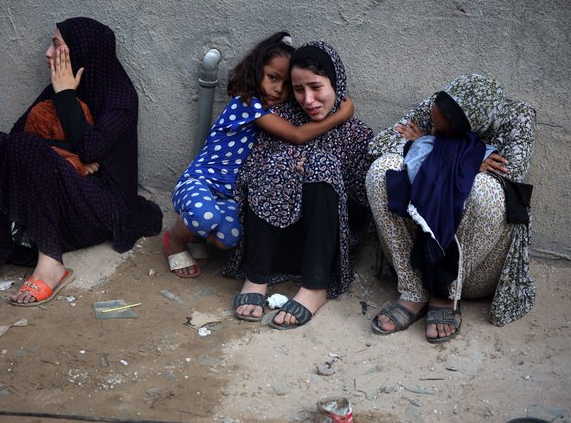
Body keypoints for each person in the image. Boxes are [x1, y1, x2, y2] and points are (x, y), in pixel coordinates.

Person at [0, 17, 163, 305]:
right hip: (64, 192)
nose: (47, 52)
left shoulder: (120, 98)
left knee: (24, 147)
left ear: (80, 52)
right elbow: (18, 134)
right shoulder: (58, 87)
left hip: (102, 206)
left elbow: (91, 149)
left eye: (56, 45)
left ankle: (51, 263)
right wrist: (66, 153)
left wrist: (66, 96)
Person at [165, 32, 354, 278]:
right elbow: (297, 135)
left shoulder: (273, 111)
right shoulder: (247, 105)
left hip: (229, 194)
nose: (277, 89)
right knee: (205, 215)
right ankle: (175, 239)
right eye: (272, 78)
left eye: (287, 86)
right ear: (256, 71)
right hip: (201, 181)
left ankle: (197, 231)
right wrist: (342, 113)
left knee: (229, 240)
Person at [366, 74, 536, 342]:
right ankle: (414, 291)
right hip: (416, 258)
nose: (432, 129)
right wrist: (461, 158)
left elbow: (508, 174)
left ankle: (444, 296)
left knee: (484, 189)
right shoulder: (442, 104)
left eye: (442, 132)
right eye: (431, 126)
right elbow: (383, 143)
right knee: (381, 170)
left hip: (476, 267)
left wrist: (433, 149)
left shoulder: (517, 117)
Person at [224, 41, 373, 329]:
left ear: (336, 82)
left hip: (325, 248)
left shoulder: (357, 134)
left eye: (316, 87)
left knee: (320, 165)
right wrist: (290, 168)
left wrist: (321, 176)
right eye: (298, 89)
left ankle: (314, 288)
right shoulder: (281, 121)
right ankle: (256, 278)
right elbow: (248, 182)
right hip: (276, 244)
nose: (308, 99)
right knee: (281, 162)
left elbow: (361, 214)